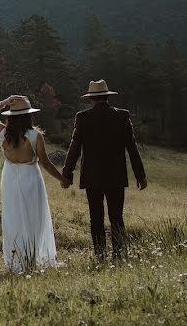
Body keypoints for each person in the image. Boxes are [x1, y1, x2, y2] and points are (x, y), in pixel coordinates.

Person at [61, 80, 147, 260]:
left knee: (96, 218)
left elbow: (74, 148)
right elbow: (132, 148)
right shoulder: (122, 116)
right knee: (117, 217)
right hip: (116, 176)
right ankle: (118, 254)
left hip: (92, 176)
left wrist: (67, 173)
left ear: (91, 98)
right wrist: (140, 175)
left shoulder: (83, 118)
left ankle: (100, 255)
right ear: (107, 97)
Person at [0, 94, 67, 272]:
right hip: (30, 178)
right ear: (28, 116)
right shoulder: (34, 136)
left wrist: (4, 102)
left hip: (9, 178)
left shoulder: (3, 133)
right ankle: (34, 259)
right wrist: (62, 179)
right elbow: (45, 162)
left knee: (13, 218)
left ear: (11, 116)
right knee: (34, 219)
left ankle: (16, 262)